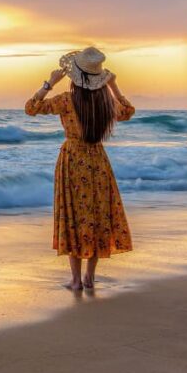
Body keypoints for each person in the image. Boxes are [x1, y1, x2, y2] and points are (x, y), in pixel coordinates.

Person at [25, 46, 135, 290]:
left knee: (73, 214)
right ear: (100, 79)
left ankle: (75, 280)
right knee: (97, 215)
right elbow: (128, 111)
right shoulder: (106, 101)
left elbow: (31, 108)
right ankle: (89, 277)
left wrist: (49, 82)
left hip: (72, 160)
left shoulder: (66, 100)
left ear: (75, 76)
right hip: (97, 160)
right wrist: (113, 85)